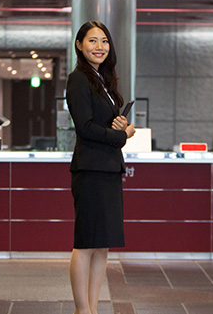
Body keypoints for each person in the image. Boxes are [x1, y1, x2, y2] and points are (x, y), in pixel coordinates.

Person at [66, 21, 135, 314]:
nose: (99, 47)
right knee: (85, 243)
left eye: (104, 41)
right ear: (80, 44)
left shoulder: (103, 81)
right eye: (92, 41)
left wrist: (118, 124)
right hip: (91, 171)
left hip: (107, 170)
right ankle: (82, 309)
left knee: (102, 244)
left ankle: (93, 307)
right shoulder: (78, 79)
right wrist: (123, 135)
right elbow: (85, 128)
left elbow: (101, 126)